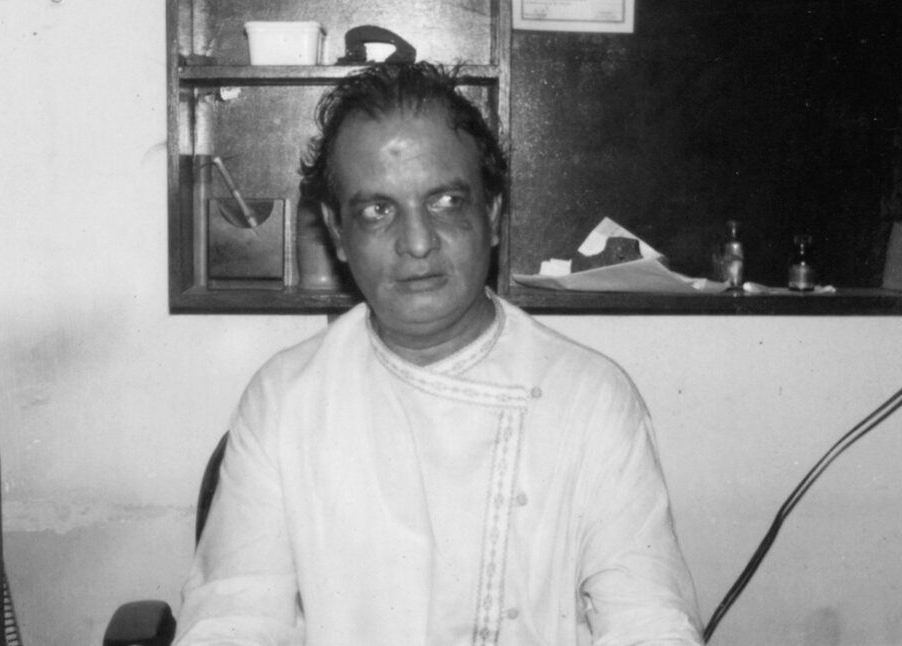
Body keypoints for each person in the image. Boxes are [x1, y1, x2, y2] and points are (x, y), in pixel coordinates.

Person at [173, 61, 704, 645]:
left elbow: (648, 622)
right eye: (377, 211)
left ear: (492, 214)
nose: (418, 242)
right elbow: (234, 618)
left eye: (447, 201)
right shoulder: (284, 399)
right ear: (337, 233)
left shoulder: (591, 398)